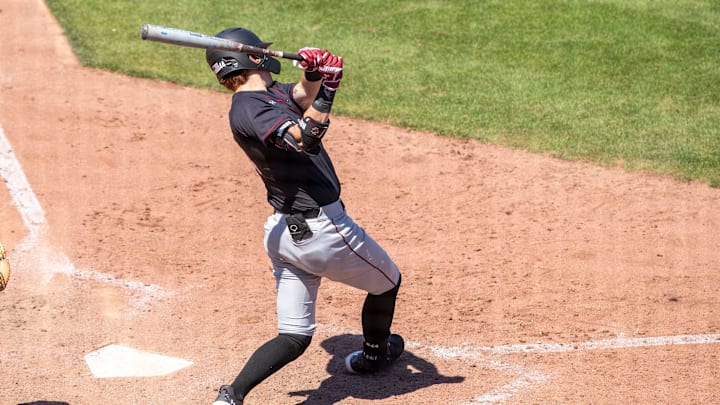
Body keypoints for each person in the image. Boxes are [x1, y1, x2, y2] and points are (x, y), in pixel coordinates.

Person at [205, 27, 404, 405]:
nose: (266, 53)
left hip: (282, 233)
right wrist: (331, 89)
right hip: (322, 230)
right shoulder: (247, 110)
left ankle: (231, 396)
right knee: (387, 281)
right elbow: (302, 137)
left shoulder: (268, 93)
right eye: (259, 50)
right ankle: (373, 357)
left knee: (294, 336)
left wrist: (314, 74)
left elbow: (299, 96)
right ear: (250, 58)